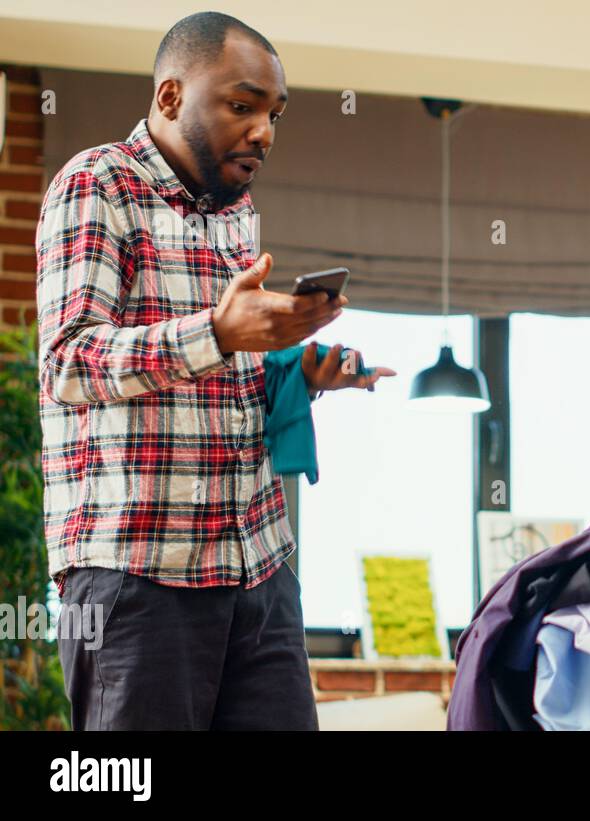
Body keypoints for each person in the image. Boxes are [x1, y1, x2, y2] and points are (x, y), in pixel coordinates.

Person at [36, 12, 394, 730]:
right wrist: (218, 330)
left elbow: (219, 383)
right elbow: (70, 360)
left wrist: (296, 372)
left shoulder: (236, 215)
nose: (263, 130)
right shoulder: (96, 184)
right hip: (136, 577)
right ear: (170, 97)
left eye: (273, 113)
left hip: (257, 568)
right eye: (242, 105)